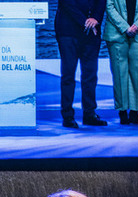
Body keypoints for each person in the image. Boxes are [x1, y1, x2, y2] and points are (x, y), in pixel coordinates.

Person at [56, 0, 110, 128]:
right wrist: (86, 21)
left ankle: (89, 114)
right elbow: (67, 3)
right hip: (68, 30)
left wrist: (96, 18)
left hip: (91, 32)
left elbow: (101, 2)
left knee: (90, 75)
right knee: (68, 75)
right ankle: (68, 116)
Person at [106, 0, 138, 124]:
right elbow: (109, 6)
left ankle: (135, 112)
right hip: (116, 32)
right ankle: (122, 111)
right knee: (119, 73)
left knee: (137, 74)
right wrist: (125, 27)